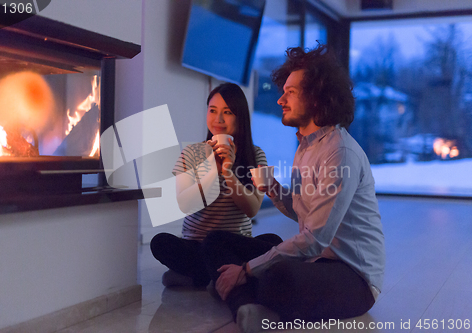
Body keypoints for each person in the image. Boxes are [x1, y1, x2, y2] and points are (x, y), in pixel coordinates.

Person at [201, 45, 386, 331]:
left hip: (353, 278)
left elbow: (314, 238)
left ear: (316, 97)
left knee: (277, 274)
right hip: (315, 261)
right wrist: (274, 190)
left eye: (290, 93)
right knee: (217, 241)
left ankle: (238, 296)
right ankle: (249, 305)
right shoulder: (305, 145)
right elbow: (303, 212)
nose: (280, 100)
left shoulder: (340, 152)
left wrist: (247, 269)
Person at [150, 83, 282, 288]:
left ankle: (199, 277)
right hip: (197, 244)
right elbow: (185, 204)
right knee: (160, 242)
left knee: (274, 241)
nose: (218, 119)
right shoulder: (192, 153)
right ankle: (229, 274)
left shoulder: (255, 154)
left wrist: (228, 172)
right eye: (212, 111)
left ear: (240, 117)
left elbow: (253, 209)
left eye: (227, 112)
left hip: (232, 244)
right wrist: (212, 169)